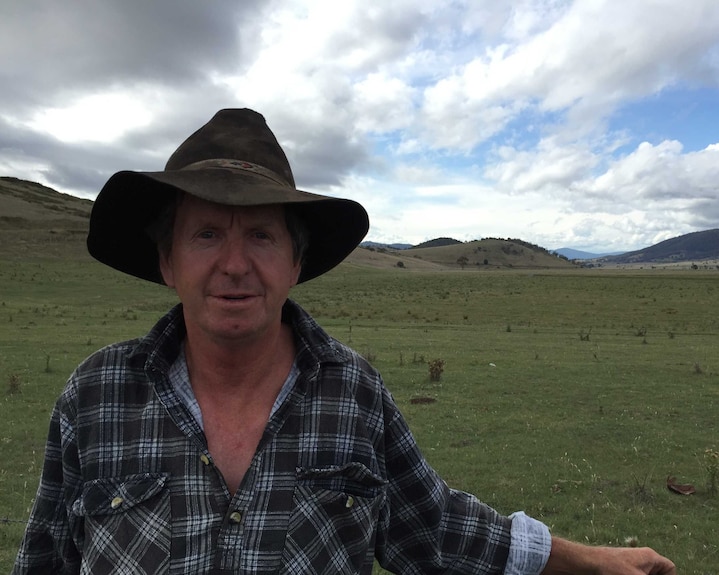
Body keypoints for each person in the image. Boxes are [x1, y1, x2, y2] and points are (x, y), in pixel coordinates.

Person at [13, 108, 676, 575]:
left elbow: (436, 528)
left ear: (296, 263)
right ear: (168, 262)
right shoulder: (96, 396)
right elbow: (45, 558)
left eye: (262, 236)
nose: (236, 264)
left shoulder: (352, 392)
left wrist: (590, 560)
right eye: (208, 233)